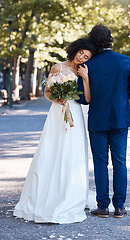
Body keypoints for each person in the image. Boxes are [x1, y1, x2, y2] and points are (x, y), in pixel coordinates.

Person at [13, 37, 97, 224]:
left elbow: (88, 98)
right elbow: (48, 92)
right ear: (76, 49)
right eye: (81, 52)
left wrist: (85, 78)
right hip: (58, 113)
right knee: (51, 150)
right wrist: (58, 100)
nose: (82, 57)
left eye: (86, 56)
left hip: (76, 112)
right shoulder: (57, 67)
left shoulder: (84, 71)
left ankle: (69, 192)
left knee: (72, 153)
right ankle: (45, 194)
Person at [77, 24, 130, 218]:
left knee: (100, 163)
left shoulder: (88, 65)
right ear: (110, 39)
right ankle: (119, 207)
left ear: (93, 41)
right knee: (120, 162)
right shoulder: (125, 61)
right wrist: (119, 99)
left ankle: (103, 206)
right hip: (121, 119)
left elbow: (81, 97)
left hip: (97, 120)